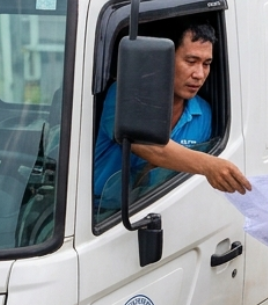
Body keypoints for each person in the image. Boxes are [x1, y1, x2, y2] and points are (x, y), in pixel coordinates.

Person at [91, 23, 250, 205]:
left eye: (206, 64)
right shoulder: (124, 95)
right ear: (163, 59)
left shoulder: (203, 114)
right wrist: (208, 165)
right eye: (191, 62)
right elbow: (150, 147)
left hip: (162, 211)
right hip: (104, 216)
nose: (199, 74)